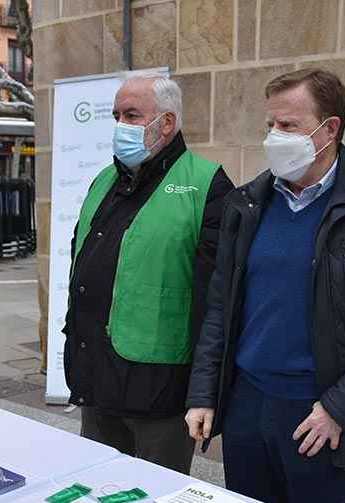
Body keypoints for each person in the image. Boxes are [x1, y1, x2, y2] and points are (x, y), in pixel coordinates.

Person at [185, 68, 345, 503]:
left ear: (330, 129)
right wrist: (204, 392)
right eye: (270, 126)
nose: (274, 137)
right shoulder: (247, 203)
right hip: (245, 405)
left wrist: (338, 408)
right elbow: (220, 306)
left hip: (315, 413)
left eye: (289, 126)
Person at [64, 73, 235, 474]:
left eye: (132, 115)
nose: (120, 125)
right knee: (101, 494)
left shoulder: (206, 185)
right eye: (116, 115)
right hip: (96, 381)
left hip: (159, 391)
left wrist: (203, 391)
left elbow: (218, 298)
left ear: (167, 123)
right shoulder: (104, 181)